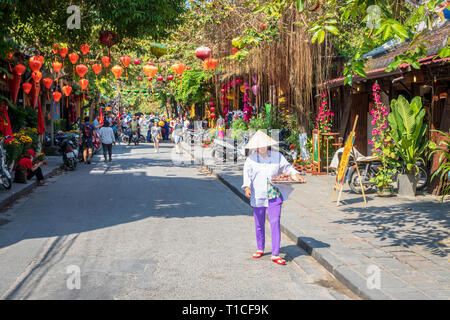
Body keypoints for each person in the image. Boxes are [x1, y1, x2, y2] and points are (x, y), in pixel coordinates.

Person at [242, 130, 306, 266]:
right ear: (256, 147)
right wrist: (247, 187)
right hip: (258, 194)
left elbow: (288, 168)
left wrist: (296, 175)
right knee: (259, 223)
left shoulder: (277, 156)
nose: (263, 147)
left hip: (274, 193)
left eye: (265, 144)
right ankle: (260, 248)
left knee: (275, 222)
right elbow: (246, 175)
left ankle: (275, 253)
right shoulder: (251, 159)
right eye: (260, 145)